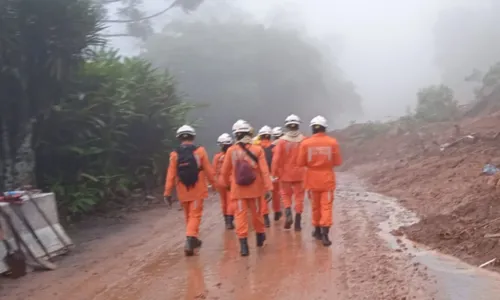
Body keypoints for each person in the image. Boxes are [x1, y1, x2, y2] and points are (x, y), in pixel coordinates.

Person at [219, 120, 273, 256]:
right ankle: (260, 236)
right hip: (255, 190)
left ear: (235, 135)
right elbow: (264, 171)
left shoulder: (231, 151)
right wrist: (269, 187)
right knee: (257, 214)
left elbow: (224, 172)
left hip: (238, 190)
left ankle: (244, 245)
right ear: (249, 133)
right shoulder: (257, 149)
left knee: (240, 216)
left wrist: (225, 186)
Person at [164, 125, 217, 256]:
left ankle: (193, 238)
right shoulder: (200, 151)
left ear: (179, 138)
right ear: (192, 137)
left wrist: (167, 192)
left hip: (182, 190)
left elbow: (170, 175)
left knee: (188, 215)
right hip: (197, 189)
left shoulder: (174, 154)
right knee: (195, 215)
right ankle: (190, 239)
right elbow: (209, 170)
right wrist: (214, 185)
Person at [297, 116, 342, 246]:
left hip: (311, 180)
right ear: (325, 128)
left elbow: (300, 162)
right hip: (327, 180)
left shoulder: (305, 143)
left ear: (312, 128)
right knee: (326, 207)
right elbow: (338, 162)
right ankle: (325, 235)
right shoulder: (332, 142)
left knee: (315, 206)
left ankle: (316, 230)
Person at [272, 114, 306, 231]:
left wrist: (274, 174)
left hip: (285, 174)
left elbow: (275, 159)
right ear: (298, 125)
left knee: (285, 195)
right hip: (300, 174)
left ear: (286, 126)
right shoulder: (304, 140)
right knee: (299, 197)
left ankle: (288, 214)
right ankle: (297, 222)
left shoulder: (281, 142)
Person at [258, 125, 281, 224]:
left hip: (261, 176)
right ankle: (277, 212)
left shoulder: (256, 148)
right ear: (270, 136)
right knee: (276, 194)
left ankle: (265, 216)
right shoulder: (274, 147)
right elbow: (278, 161)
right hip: (273, 174)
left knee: (263, 196)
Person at [213, 133, 235, 230]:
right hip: (230, 180)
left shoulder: (217, 157)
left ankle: (226, 221)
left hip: (220, 181)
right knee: (230, 201)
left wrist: (213, 183)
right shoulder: (233, 154)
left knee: (223, 201)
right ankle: (230, 221)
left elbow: (213, 170)